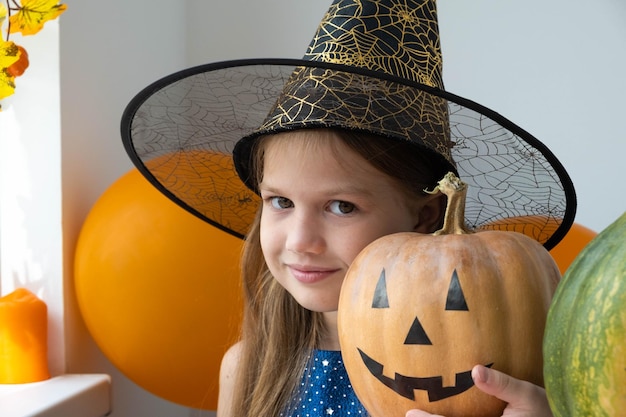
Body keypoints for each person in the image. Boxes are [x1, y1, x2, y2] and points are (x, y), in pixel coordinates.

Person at [120, 0, 576, 415]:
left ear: (426, 215)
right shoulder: (246, 370)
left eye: (341, 207)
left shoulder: (499, 370)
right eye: (280, 201)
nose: (300, 240)